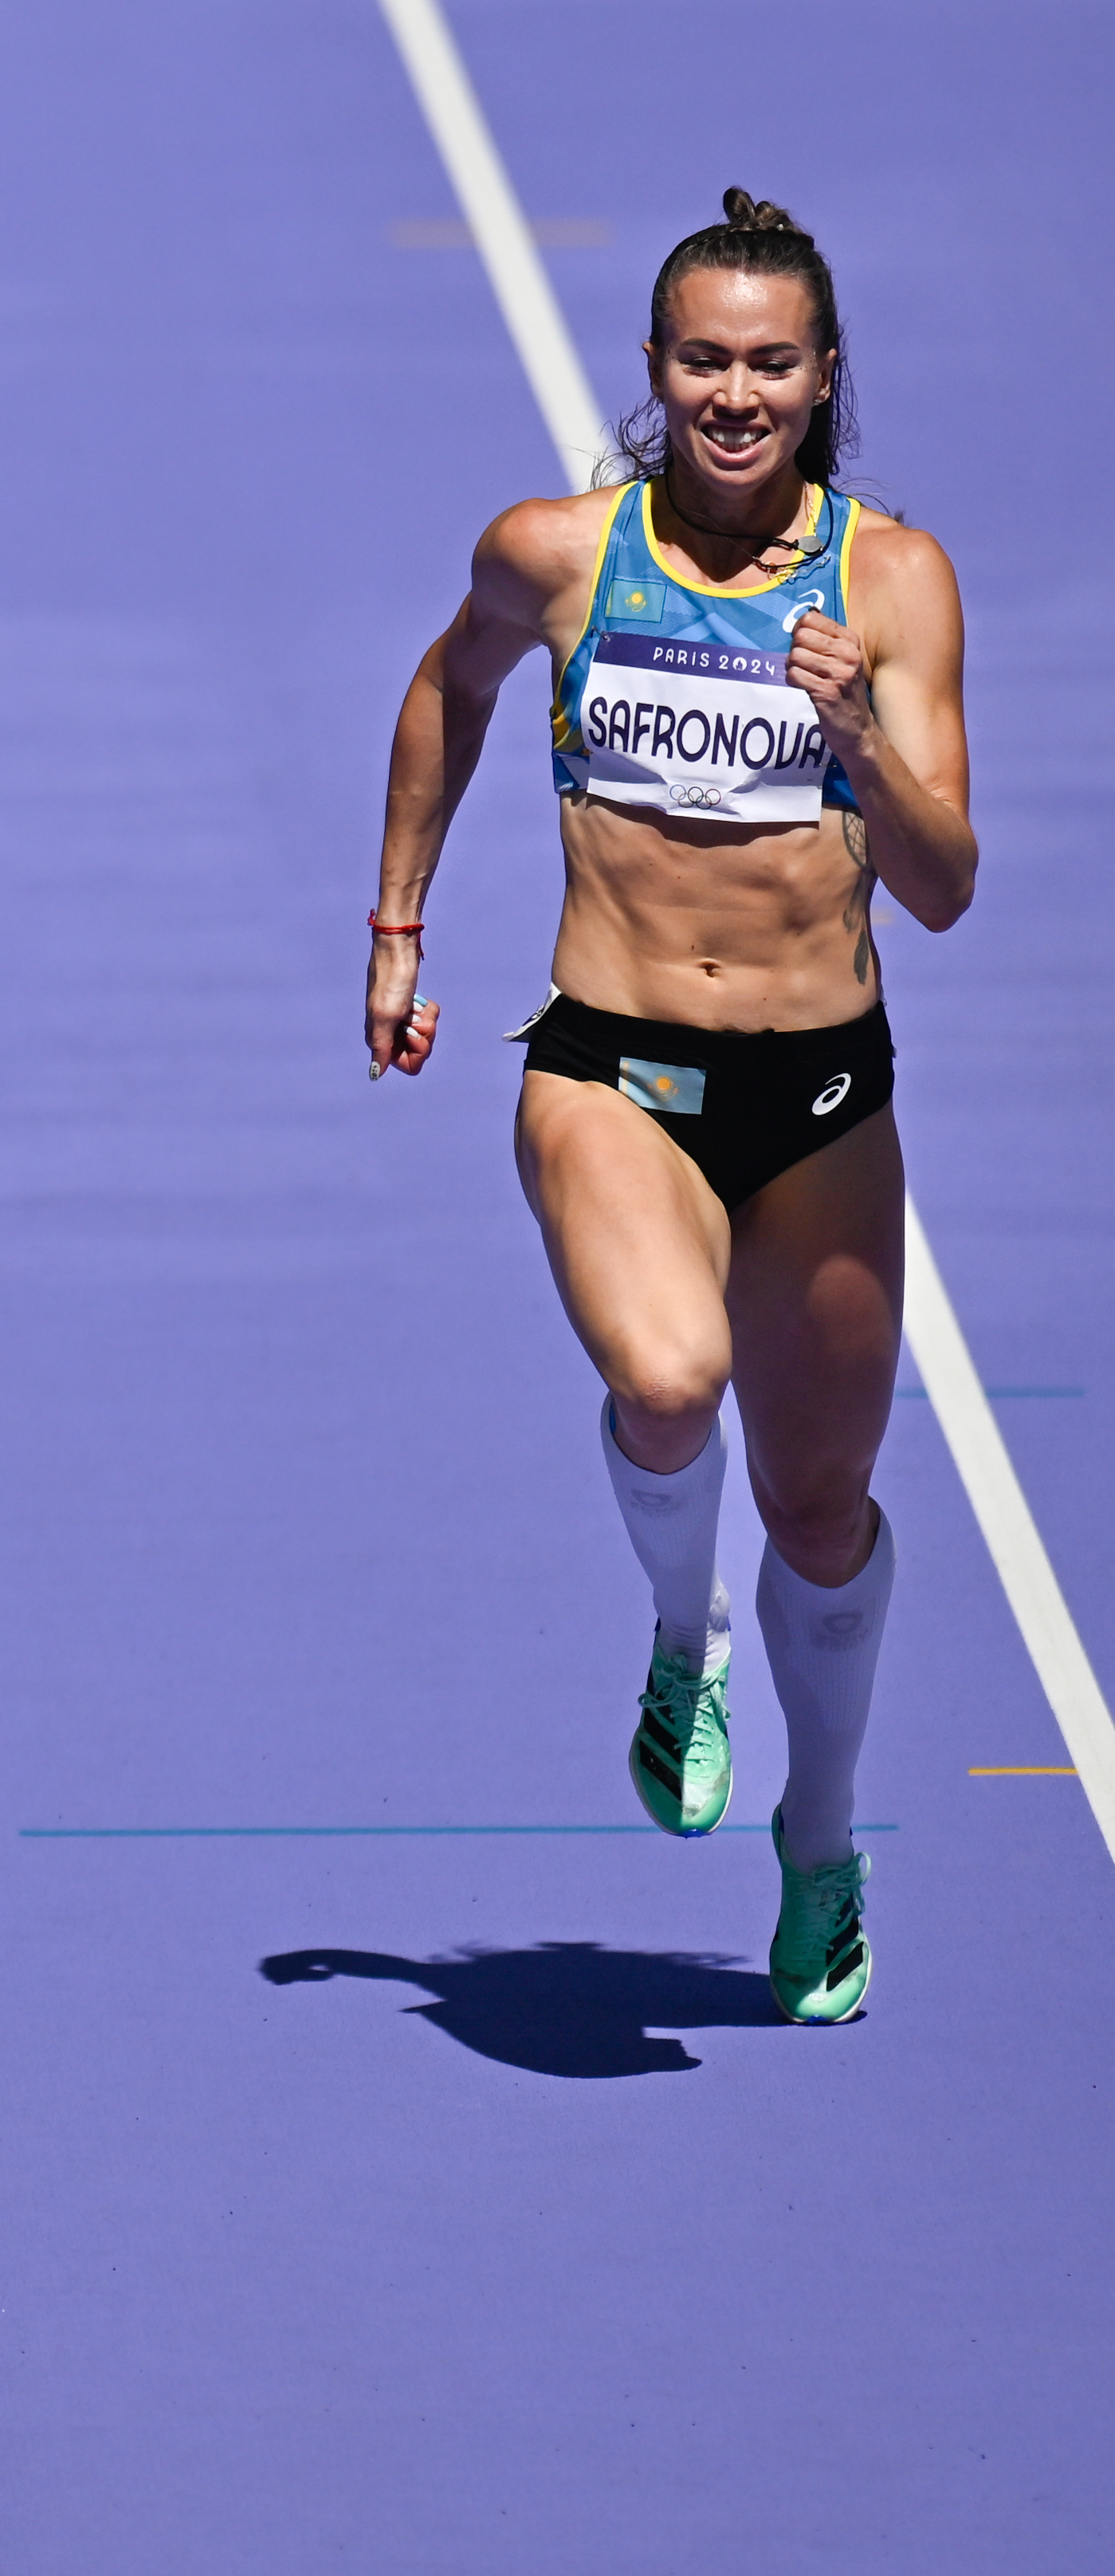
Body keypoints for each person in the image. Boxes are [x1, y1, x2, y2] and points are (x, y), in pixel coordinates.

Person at [367, 193, 972, 2024]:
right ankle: (674, 1644)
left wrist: (858, 736)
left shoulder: (889, 583)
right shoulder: (556, 555)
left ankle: (822, 1845)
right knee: (663, 1380)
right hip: (610, 1067)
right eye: (701, 360)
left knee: (821, 1509)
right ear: (653, 373)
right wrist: (395, 923)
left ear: (821, 377)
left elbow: (942, 885)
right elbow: (444, 692)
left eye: (768, 362)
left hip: (822, 1102)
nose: (732, 392)